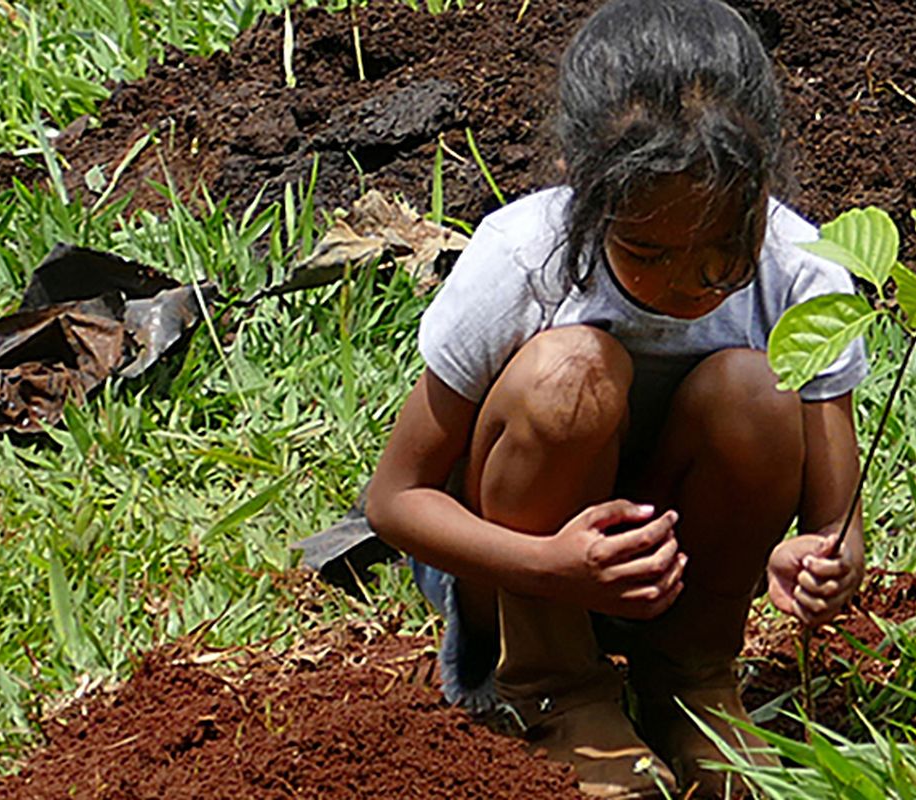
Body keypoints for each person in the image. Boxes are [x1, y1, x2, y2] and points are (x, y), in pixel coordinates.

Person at [363, 0, 866, 796]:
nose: (693, 282)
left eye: (724, 247)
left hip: (679, 579)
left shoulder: (802, 277)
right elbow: (395, 499)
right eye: (649, 252)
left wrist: (826, 559)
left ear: (762, 182)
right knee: (571, 373)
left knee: (760, 388)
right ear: (586, 189)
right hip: (524, 568)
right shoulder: (525, 261)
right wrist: (550, 565)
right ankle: (553, 688)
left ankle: (692, 684)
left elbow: (836, 526)